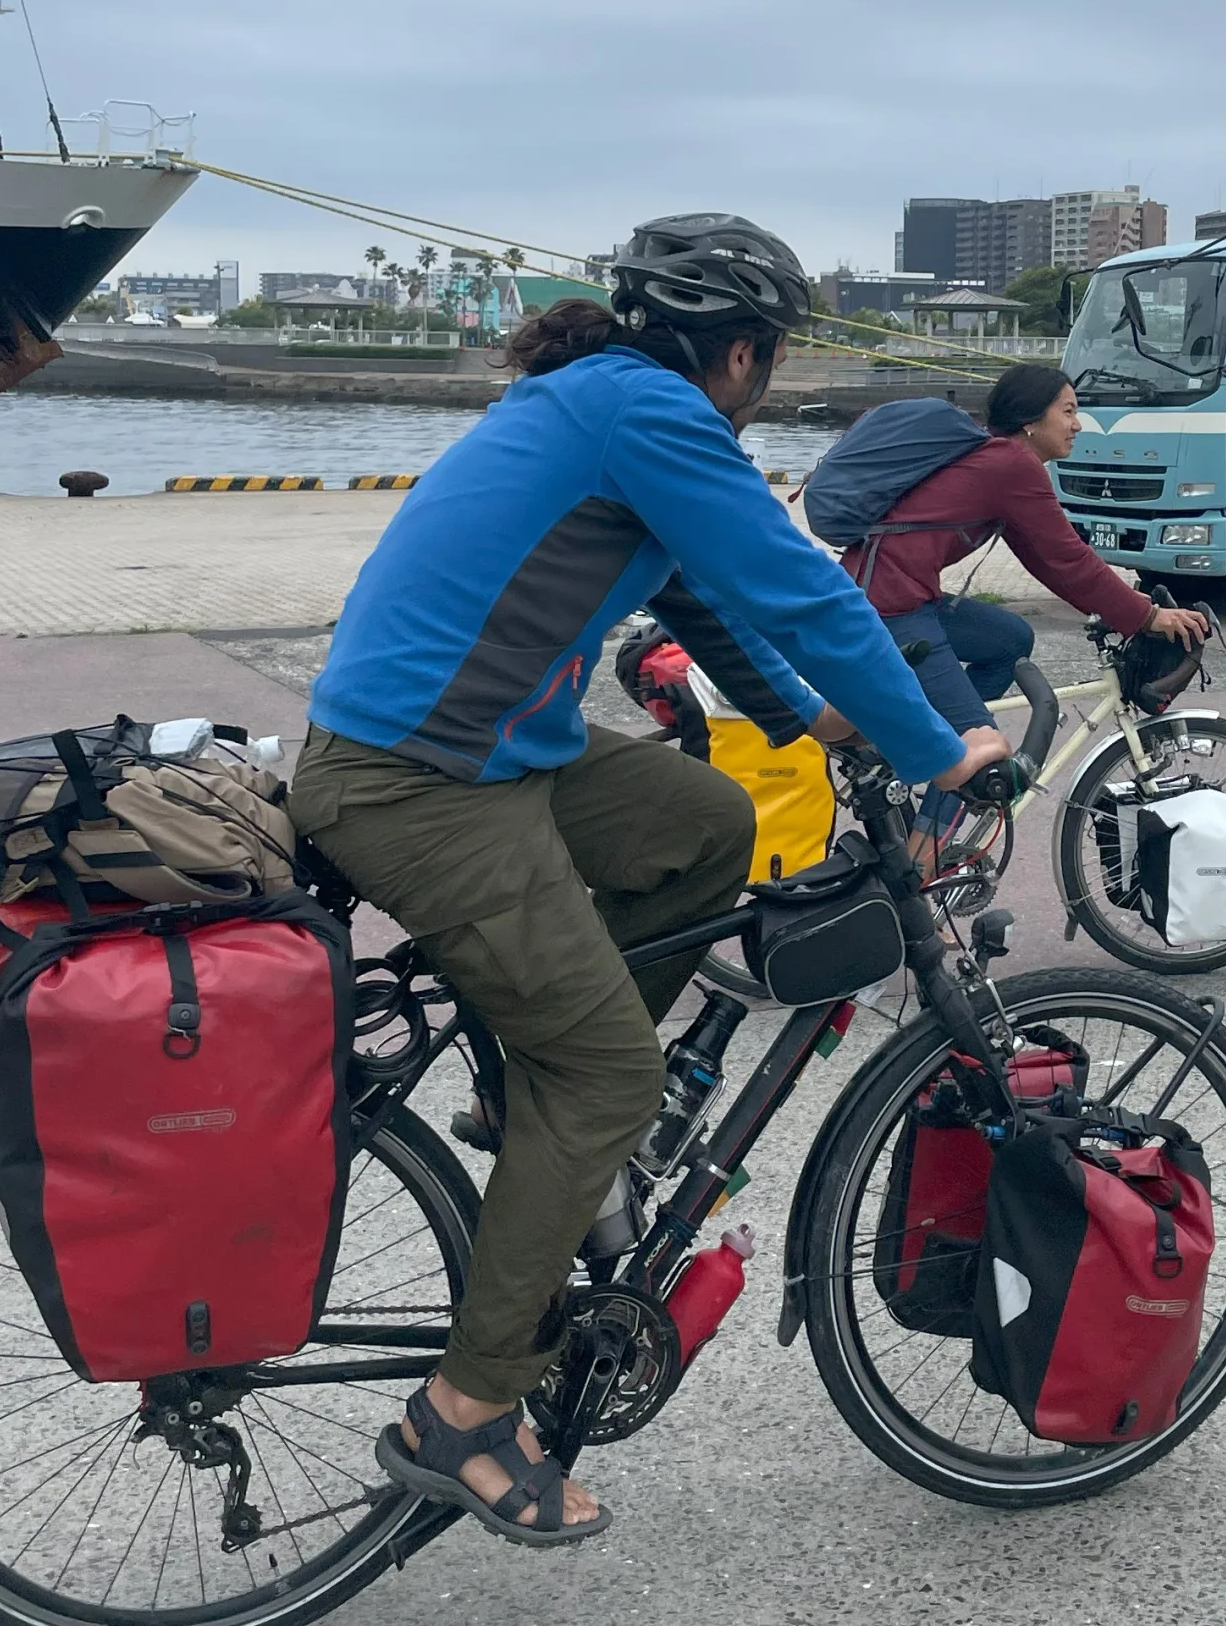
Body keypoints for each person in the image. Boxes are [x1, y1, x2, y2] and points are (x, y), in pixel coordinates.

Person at [288, 213, 1008, 1547]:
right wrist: (936, 748)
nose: (772, 383)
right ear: (743, 353)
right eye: (773, 361)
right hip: (417, 785)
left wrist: (811, 723)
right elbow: (802, 588)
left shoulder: (604, 402)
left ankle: (542, 1113)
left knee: (700, 816)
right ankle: (461, 1416)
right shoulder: (652, 417)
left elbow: (700, 606)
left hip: (473, 758)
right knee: (608, 1071)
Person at [844, 361, 1211, 765]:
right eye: (1068, 411)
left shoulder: (999, 461)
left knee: (1011, 638)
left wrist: (1116, 608)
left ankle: (920, 748)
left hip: (894, 593)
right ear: (1031, 420)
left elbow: (1048, 562)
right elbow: (1069, 557)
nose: (1078, 424)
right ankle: (932, 824)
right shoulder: (1012, 465)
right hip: (892, 604)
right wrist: (1146, 615)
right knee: (979, 748)